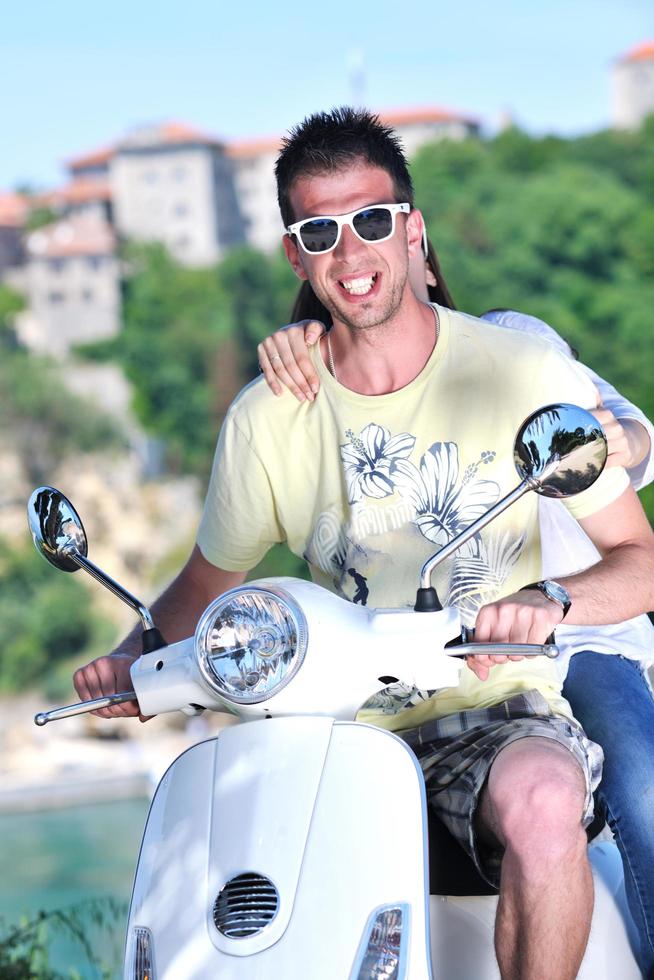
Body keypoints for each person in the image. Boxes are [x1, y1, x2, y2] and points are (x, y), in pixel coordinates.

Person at [73, 108, 654, 980]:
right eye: (319, 230)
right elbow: (202, 582)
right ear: (295, 254)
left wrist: (548, 603)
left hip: (493, 700)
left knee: (548, 802)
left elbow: (637, 552)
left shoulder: (522, 367)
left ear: (413, 231)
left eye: (371, 221)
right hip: (325, 719)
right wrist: (130, 656)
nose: (349, 253)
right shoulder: (268, 416)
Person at [257, 241, 654, 976]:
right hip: (442, 659)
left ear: (429, 266)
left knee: (645, 791)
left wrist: (610, 442)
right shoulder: (339, 399)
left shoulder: (517, 345)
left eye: (397, 253)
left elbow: (635, 434)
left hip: (584, 630)